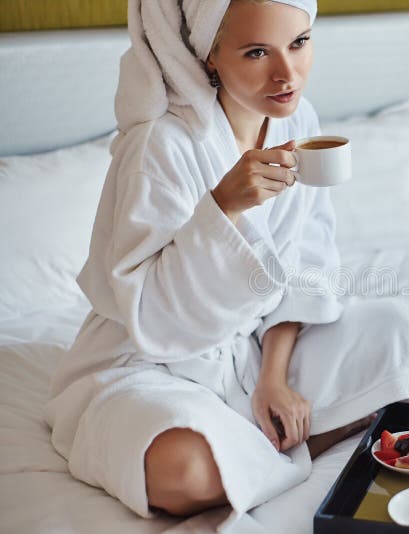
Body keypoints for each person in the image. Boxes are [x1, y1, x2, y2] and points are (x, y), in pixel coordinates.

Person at [44, 0, 371, 524]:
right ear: (210, 54)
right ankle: (315, 439)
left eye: (299, 43)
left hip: (250, 349)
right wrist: (222, 207)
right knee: (185, 472)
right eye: (257, 51)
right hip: (147, 362)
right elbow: (149, 310)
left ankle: (270, 437)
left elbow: (309, 262)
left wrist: (273, 378)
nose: (286, 73)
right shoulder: (161, 145)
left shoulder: (299, 122)